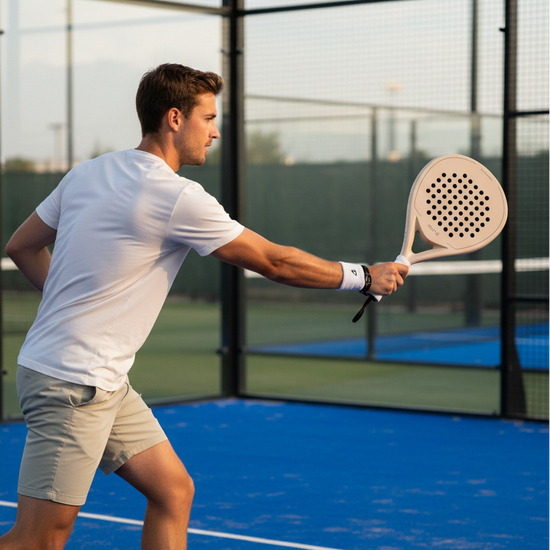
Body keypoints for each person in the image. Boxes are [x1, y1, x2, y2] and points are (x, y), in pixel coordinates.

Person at [0, 63, 408, 550]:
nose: (215, 132)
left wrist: (70, 308)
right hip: (74, 384)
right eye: (209, 118)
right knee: (39, 539)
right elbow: (274, 262)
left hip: (97, 379)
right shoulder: (176, 197)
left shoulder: (87, 173)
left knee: (173, 491)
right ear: (175, 118)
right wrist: (364, 276)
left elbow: (21, 246)